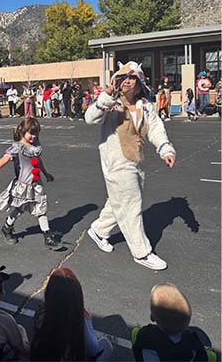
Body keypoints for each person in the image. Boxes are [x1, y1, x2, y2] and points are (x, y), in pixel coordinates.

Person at [85, 61, 176, 271]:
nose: (127, 81)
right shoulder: (111, 102)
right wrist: (106, 96)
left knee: (120, 201)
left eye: (132, 77)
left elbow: (155, 128)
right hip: (116, 163)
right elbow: (90, 118)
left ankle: (99, 230)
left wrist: (165, 149)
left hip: (136, 160)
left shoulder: (145, 105)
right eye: (123, 77)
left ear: (138, 82)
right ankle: (141, 252)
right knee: (131, 204)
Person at [0, 118, 58, 247]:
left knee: (41, 209)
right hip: (23, 185)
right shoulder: (18, 147)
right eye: (31, 133)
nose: (34, 136)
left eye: (36, 134)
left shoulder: (35, 145)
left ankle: (47, 235)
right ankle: (7, 227)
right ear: (23, 131)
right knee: (19, 209)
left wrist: (45, 173)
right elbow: (5, 158)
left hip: (36, 184)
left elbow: (37, 160)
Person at [31, 267, 113, 361]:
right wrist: (89, 322)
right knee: (106, 345)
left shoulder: (41, 312)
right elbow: (93, 348)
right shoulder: (79, 320)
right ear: (77, 296)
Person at [131, 283, 214, 361]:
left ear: (152, 317)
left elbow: (136, 353)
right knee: (205, 354)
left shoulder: (145, 335)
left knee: (136, 333)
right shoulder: (192, 340)